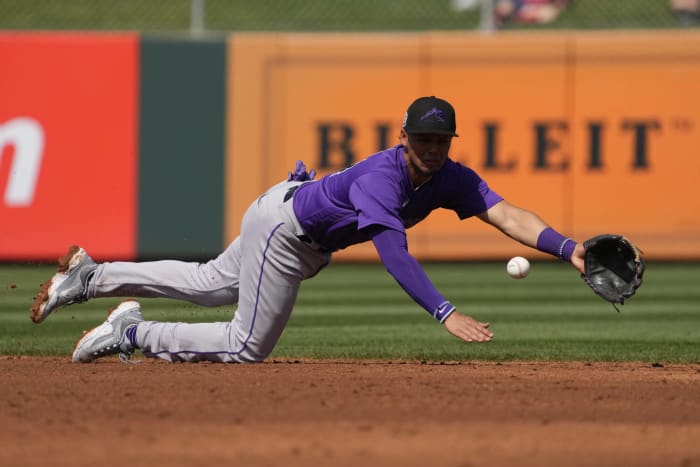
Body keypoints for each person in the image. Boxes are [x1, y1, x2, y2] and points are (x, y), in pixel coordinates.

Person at [32, 96, 585, 364]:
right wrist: (445, 311)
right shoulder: (382, 179)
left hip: (286, 211)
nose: (432, 149)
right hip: (286, 230)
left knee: (208, 285)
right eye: (423, 139)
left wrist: (570, 248)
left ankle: (92, 276)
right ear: (404, 137)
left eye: (441, 141)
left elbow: (506, 213)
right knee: (246, 347)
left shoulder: (451, 178)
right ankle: (132, 334)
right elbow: (394, 252)